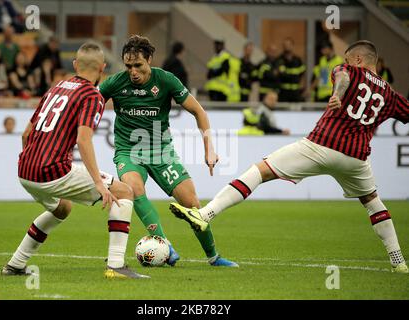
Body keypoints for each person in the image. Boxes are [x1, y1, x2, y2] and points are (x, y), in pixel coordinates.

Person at [170, 40, 409, 274]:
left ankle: (205, 214)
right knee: (373, 203)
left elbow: (343, 77)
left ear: (358, 59)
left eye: (347, 59)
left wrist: (337, 94)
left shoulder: (350, 71)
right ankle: (398, 261)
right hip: (356, 159)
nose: (344, 63)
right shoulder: (389, 94)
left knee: (260, 171)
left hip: (321, 145)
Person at [1, 42, 148, 279]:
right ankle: (116, 266)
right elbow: (83, 139)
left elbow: (26, 134)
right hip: (52, 171)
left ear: (75, 65)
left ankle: (15, 264)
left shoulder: (56, 87)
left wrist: (31, 165)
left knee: (62, 208)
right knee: (124, 192)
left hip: (24, 170)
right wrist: (99, 183)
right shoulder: (92, 95)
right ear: (102, 68)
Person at [98, 35, 238, 267]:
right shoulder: (115, 83)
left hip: (161, 152)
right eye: (129, 66)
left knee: (191, 202)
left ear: (150, 60)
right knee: (132, 188)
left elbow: (199, 112)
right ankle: (164, 244)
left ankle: (214, 256)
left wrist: (209, 149)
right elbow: (88, 103)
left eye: (138, 66)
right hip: (128, 151)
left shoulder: (166, 80)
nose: (133, 72)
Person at [278, 37, 306, 102]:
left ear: (292, 46)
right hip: (283, 92)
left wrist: (303, 89)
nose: (287, 47)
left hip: (296, 92)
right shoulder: (279, 60)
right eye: (285, 45)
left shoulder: (298, 60)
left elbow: (303, 75)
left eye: (289, 45)